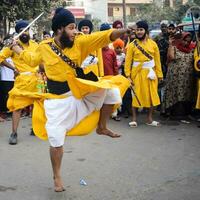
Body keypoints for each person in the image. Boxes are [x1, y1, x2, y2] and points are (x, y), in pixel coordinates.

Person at [10, 8, 130, 192]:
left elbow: (103, 36)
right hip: (56, 102)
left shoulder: (80, 41)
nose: (76, 31)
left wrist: (124, 31)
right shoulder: (44, 46)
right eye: (71, 27)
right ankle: (57, 176)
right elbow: (31, 60)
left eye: (75, 27)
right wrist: (16, 47)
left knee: (112, 93)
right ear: (59, 29)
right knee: (56, 141)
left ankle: (102, 127)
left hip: (77, 93)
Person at [0, 20, 39, 144]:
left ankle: (35, 128)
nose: (24, 32)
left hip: (36, 80)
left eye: (26, 29)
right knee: (17, 107)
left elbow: (41, 60)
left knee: (37, 105)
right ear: (17, 32)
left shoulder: (35, 45)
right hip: (21, 81)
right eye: (21, 30)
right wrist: (13, 68)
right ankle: (14, 133)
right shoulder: (12, 45)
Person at [124, 20, 163, 127]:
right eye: (137, 30)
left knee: (152, 96)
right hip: (137, 74)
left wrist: (159, 75)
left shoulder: (153, 44)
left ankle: (149, 119)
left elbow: (157, 61)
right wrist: (128, 76)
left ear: (146, 31)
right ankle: (134, 119)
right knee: (136, 96)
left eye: (141, 29)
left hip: (151, 74)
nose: (139, 32)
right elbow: (128, 61)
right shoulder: (132, 45)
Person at [164, 32, 195, 121]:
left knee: (187, 94)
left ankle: (186, 113)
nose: (186, 42)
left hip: (188, 78)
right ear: (181, 39)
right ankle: (174, 113)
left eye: (188, 41)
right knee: (176, 93)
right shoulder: (174, 47)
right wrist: (170, 44)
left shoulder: (192, 48)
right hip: (175, 77)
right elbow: (171, 57)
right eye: (184, 40)